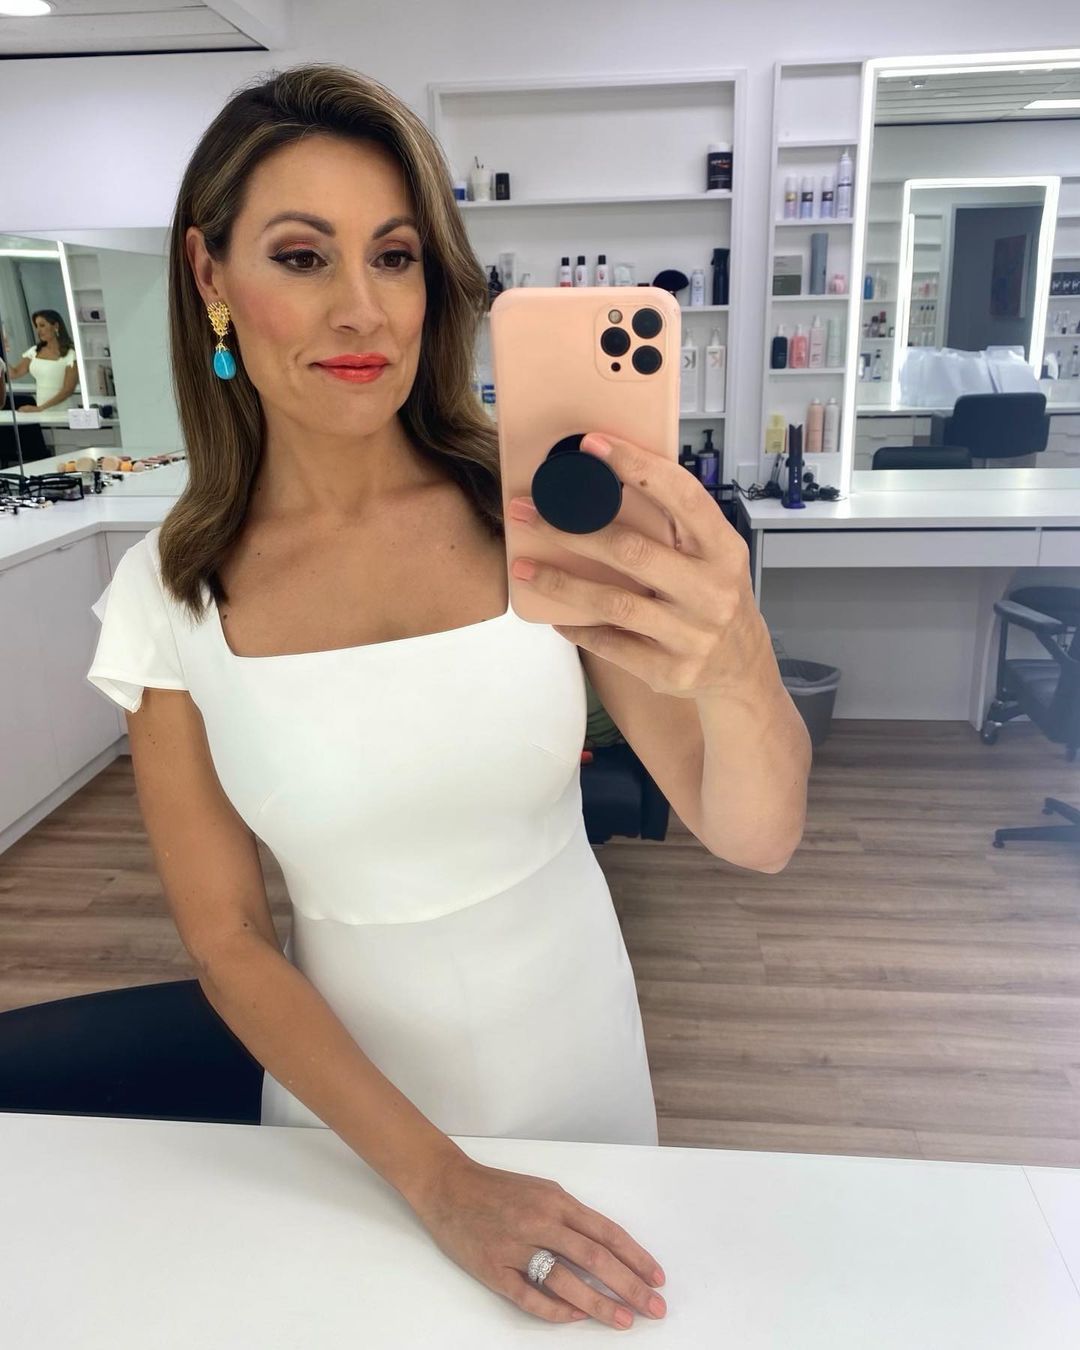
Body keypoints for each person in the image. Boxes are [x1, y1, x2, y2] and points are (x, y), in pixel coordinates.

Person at [86, 62, 807, 1331]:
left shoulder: (530, 514)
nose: (362, 309)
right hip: (356, 1129)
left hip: (581, 1064)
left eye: (396, 256)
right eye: (302, 257)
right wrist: (441, 1181)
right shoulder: (172, 593)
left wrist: (738, 650)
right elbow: (228, 941)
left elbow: (754, 835)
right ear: (210, 276)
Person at [0, 309, 80, 411]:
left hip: (63, 411)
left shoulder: (71, 355)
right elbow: (14, 373)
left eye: (42, 326)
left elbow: (68, 390)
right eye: (36, 326)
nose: (38, 330)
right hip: (42, 411)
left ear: (56, 326)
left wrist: (40, 408)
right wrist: (3, 353)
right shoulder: (34, 351)